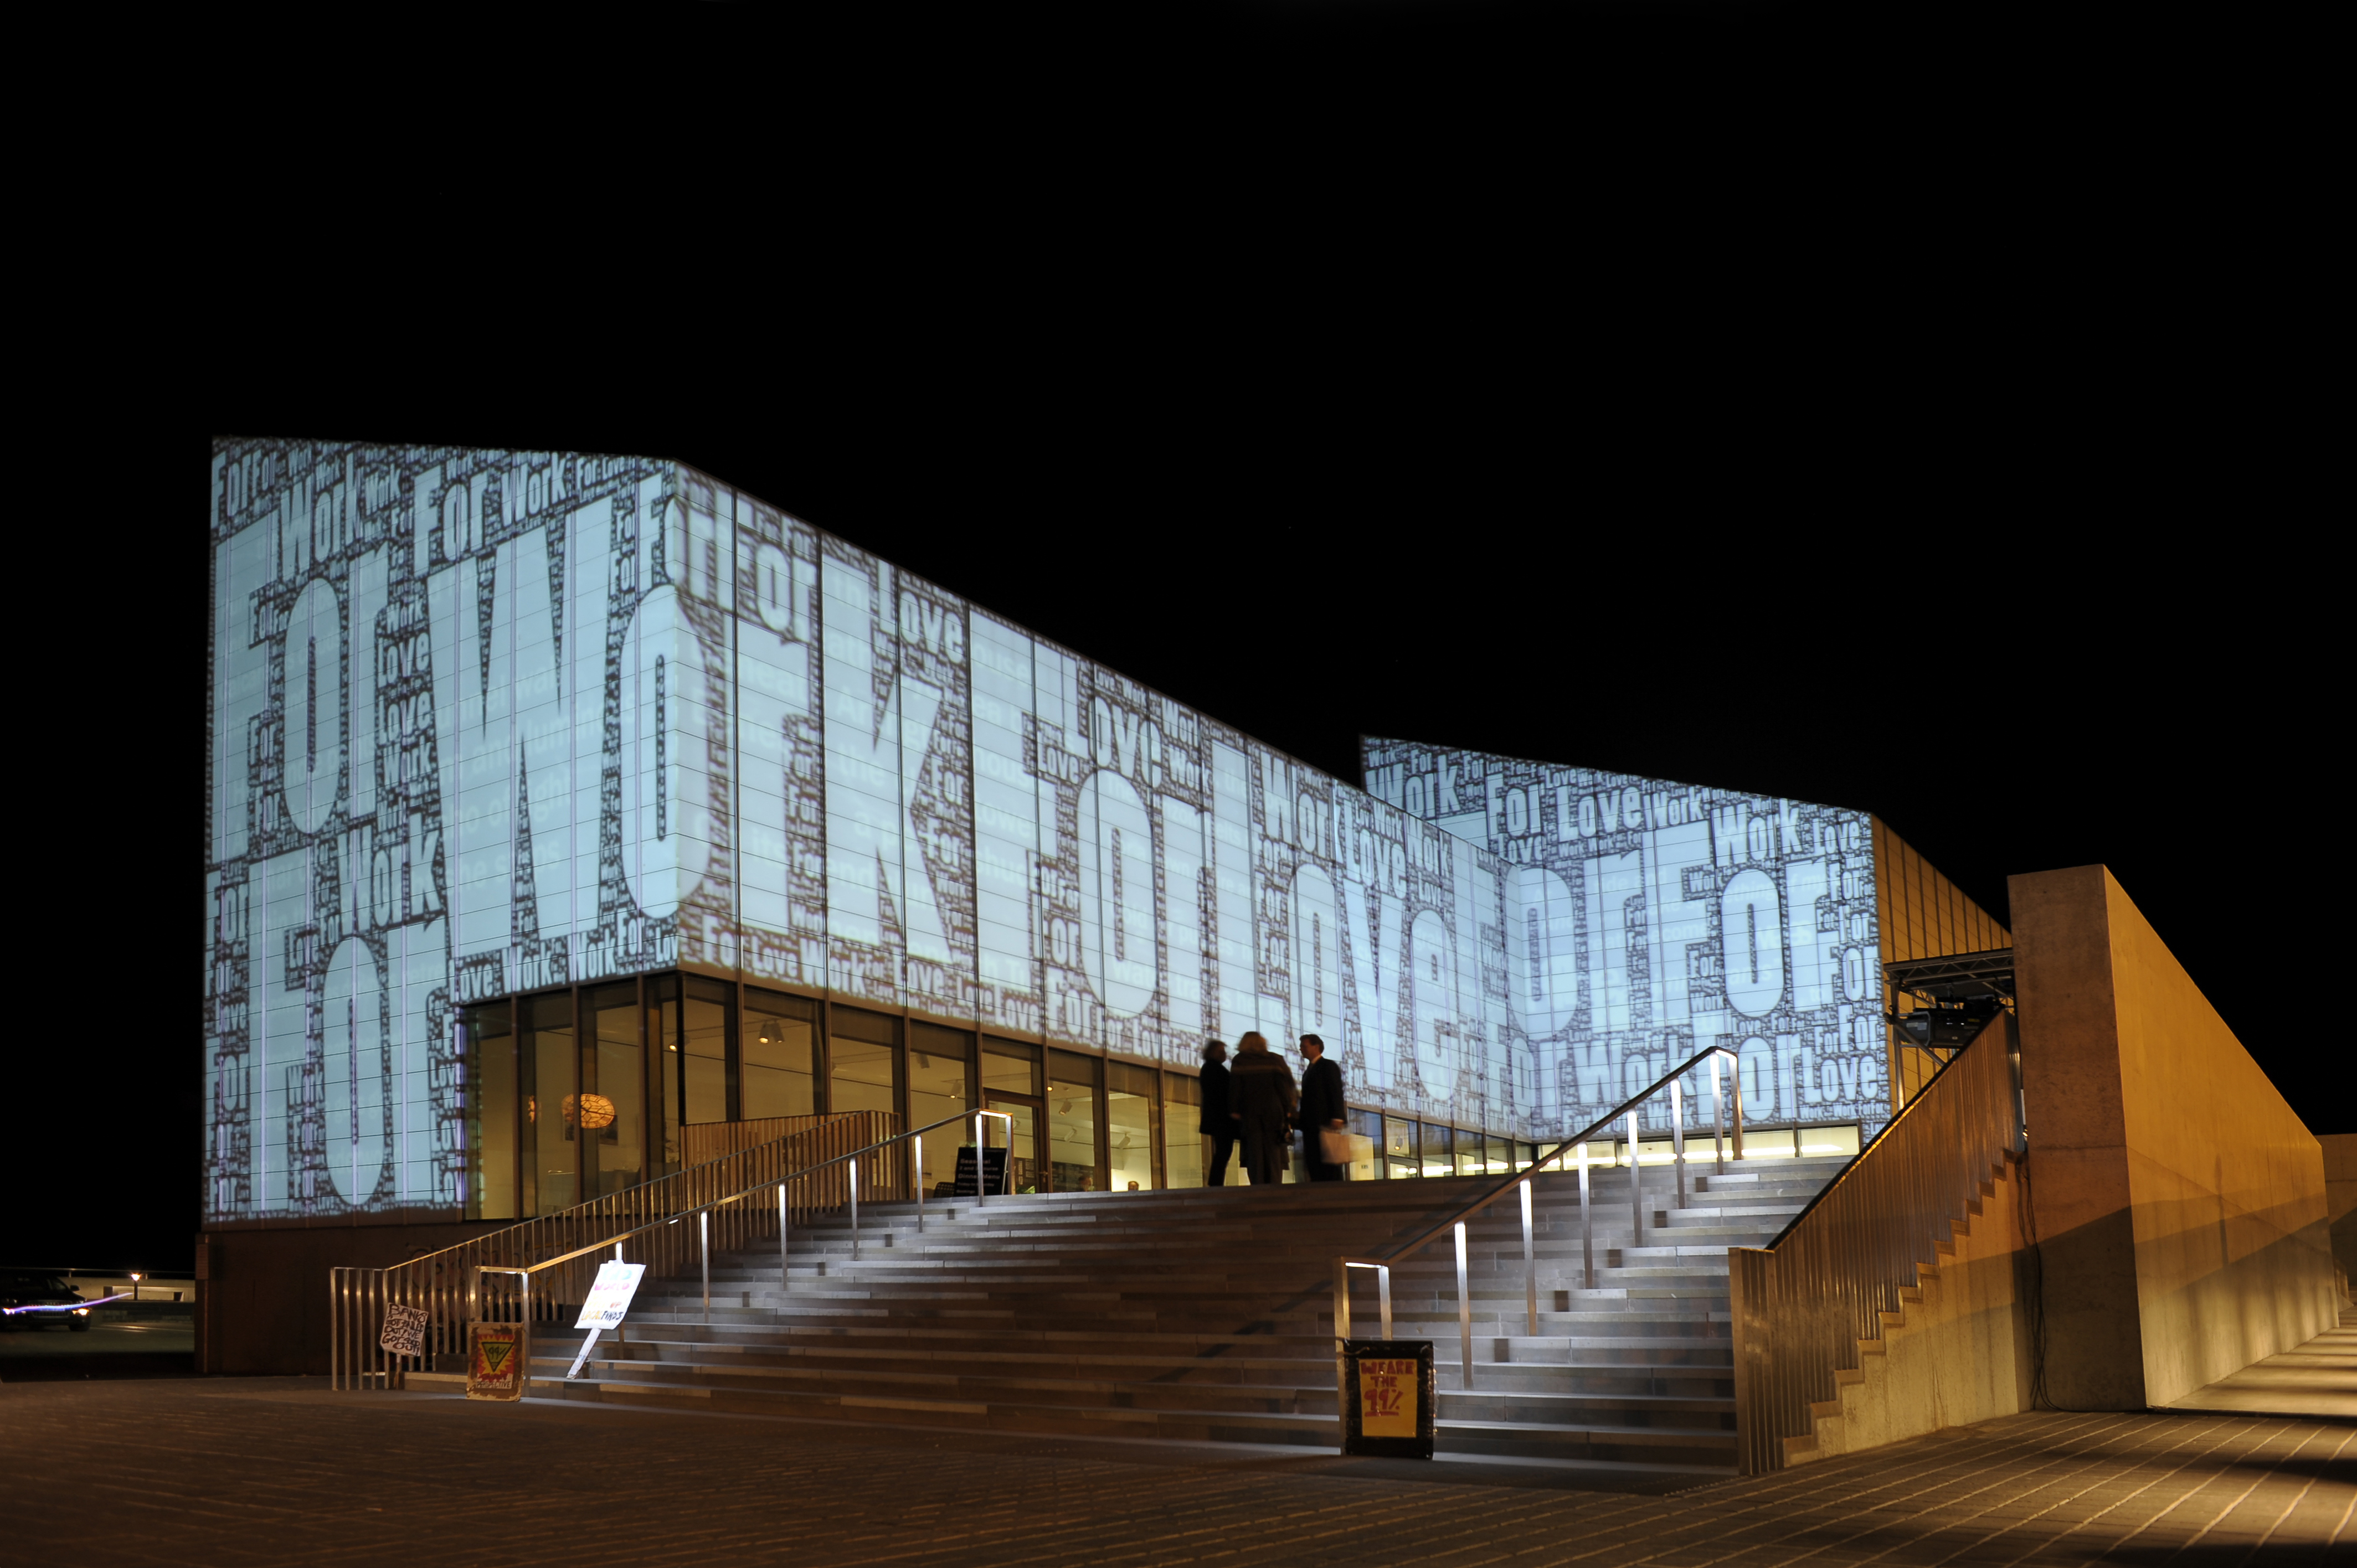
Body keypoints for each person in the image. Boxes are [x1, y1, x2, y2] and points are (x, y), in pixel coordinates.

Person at [1227, 1032, 1298, 1186]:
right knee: (1274, 1151)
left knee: (1254, 1151)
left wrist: (1234, 1109)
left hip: (1250, 1111)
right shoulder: (1275, 1060)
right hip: (1274, 1110)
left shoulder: (1240, 1060)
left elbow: (1235, 1088)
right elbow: (1285, 1086)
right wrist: (1289, 1109)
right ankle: (1274, 1185)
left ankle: (1258, 1185)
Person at [1297, 1034, 1346, 1180]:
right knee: (1315, 1162)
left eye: (1304, 1046)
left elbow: (1336, 1091)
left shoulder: (1328, 1066)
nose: (1301, 1049)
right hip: (1312, 1125)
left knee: (1330, 1163)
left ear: (1316, 1047)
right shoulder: (1309, 1072)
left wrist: (1337, 1117)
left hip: (1325, 1123)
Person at [1199, 1039, 1239, 1187]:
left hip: (1218, 1119)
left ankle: (1216, 1183)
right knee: (1224, 1152)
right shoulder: (1215, 1069)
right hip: (1222, 1120)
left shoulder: (1210, 1068)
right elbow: (1221, 1094)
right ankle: (1216, 1183)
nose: (1225, 1055)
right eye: (1222, 1051)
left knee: (1223, 1151)